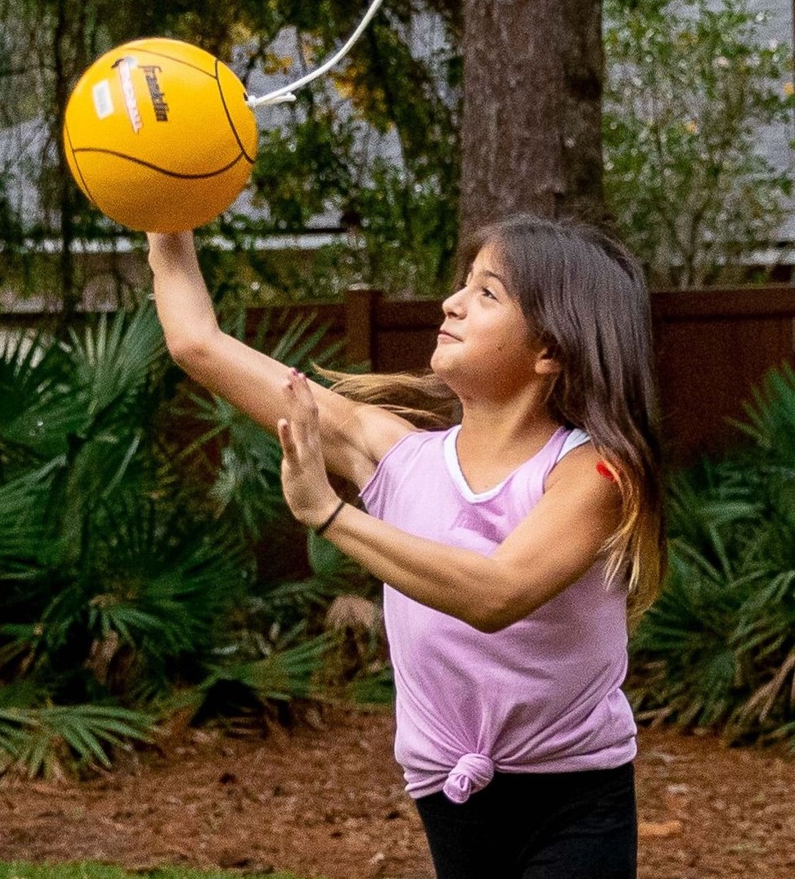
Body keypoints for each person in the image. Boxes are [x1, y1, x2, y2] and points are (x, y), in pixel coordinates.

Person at [147, 214, 665, 879]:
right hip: (446, 792)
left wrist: (329, 515)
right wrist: (165, 216)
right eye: (464, 287)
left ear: (549, 350)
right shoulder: (395, 456)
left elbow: (497, 592)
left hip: (573, 798)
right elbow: (197, 343)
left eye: (487, 294)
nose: (451, 303)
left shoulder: (595, 473)